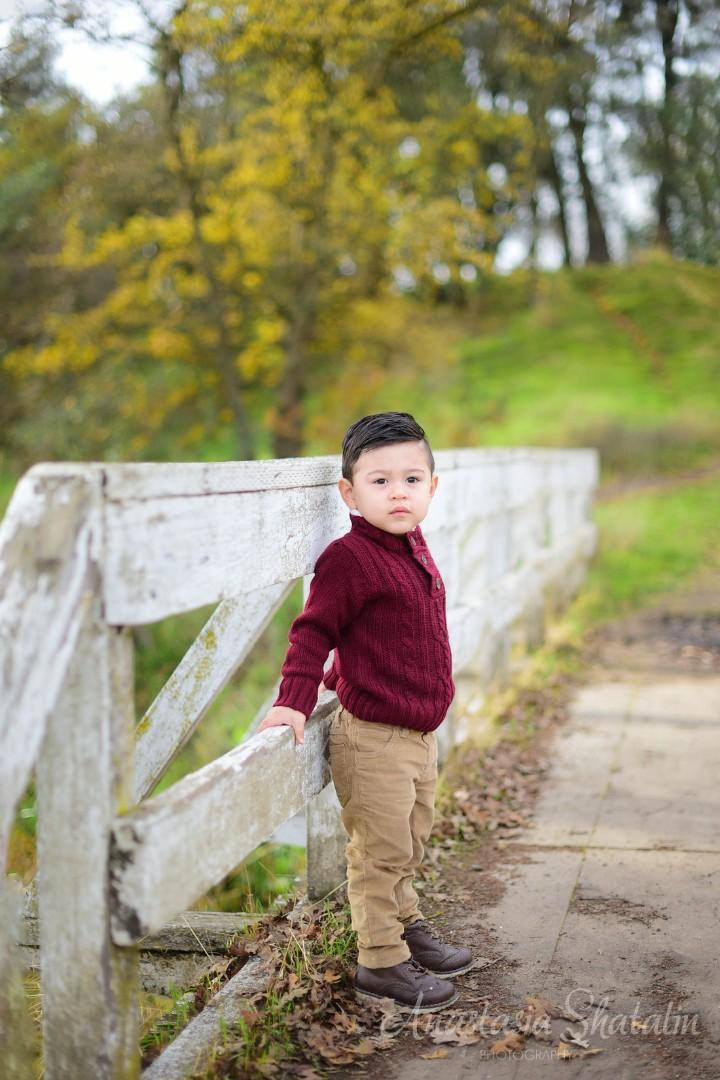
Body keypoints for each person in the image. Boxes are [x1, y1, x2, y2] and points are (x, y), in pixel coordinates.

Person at [258, 411, 472, 1012]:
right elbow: (313, 630)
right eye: (380, 482)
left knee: (410, 838)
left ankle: (404, 925)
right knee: (379, 848)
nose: (398, 492)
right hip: (374, 735)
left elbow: (394, 633)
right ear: (349, 493)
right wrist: (293, 702)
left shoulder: (413, 546)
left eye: (411, 479)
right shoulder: (349, 558)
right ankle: (381, 960)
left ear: (433, 486)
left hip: (417, 732)